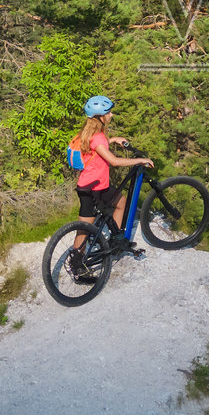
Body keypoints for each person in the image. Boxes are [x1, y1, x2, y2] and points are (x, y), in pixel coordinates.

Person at [69, 95, 152, 280]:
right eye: (108, 112)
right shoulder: (97, 137)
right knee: (86, 228)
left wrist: (113, 140)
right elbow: (113, 161)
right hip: (96, 189)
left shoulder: (88, 132)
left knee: (119, 202)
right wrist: (139, 160)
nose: (111, 115)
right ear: (100, 116)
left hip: (86, 186)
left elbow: (97, 147)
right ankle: (79, 268)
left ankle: (113, 239)